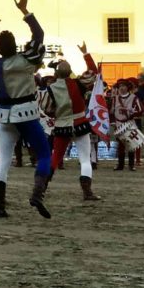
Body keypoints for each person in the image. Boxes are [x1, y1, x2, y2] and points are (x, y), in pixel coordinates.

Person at [0, 0, 52, 220]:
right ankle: (37, 194)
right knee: (44, 154)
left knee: (4, 160)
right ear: (15, 45)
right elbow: (39, 35)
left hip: (5, 115)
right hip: (27, 112)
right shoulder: (26, 60)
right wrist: (25, 11)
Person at [43, 44, 99, 200]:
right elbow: (94, 72)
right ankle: (87, 191)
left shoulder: (51, 89)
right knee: (85, 159)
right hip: (81, 123)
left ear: (56, 73)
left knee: (55, 157)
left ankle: (41, 188)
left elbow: (47, 109)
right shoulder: (79, 83)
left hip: (62, 126)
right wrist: (86, 53)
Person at [111, 78, 143, 171]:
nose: (121, 88)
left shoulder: (134, 98)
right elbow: (112, 111)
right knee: (120, 145)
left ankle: (131, 165)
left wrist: (132, 112)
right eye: (120, 86)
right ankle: (120, 165)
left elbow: (141, 110)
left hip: (129, 123)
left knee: (131, 144)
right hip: (118, 124)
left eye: (124, 86)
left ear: (128, 87)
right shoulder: (115, 98)